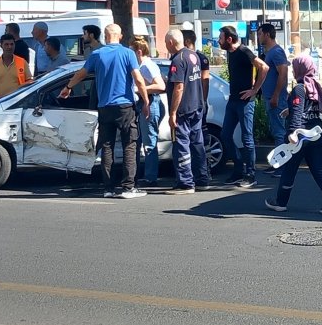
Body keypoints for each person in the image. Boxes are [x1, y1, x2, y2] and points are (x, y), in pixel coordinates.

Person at [61, 24, 150, 199]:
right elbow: (138, 79)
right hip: (125, 106)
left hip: (104, 106)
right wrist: (145, 100)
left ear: (106, 36)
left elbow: (81, 73)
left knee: (107, 147)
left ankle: (108, 188)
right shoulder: (128, 53)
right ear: (121, 35)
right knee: (129, 146)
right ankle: (128, 187)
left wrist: (68, 87)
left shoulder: (97, 54)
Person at [265, 55, 322, 214]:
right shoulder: (315, 86)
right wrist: (290, 110)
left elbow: (299, 113)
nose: (292, 69)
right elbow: (309, 109)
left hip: (300, 137)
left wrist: (292, 133)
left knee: (289, 170)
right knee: (319, 169)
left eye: (294, 66)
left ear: (300, 69)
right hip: (317, 135)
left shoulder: (299, 87)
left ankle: (280, 202)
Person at [218, 25, 268, 188]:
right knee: (225, 134)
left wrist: (255, 89)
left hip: (245, 102)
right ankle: (238, 169)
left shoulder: (244, 51)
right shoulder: (230, 52)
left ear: (229, 39)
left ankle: (250, 174)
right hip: (233, 101)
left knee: (247, 137)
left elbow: (264, 67)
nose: (219, 41)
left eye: (221, 38)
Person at [165, 29, 212, 194]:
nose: (166, 46)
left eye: (166, 42)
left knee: (181, 144)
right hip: (196, 106)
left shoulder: (178, 60)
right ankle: (202, 179)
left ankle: (185, 183)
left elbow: (179, 86)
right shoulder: (194, 56)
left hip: (184, 109)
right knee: (197, 143)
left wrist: (172, 113)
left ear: (171, 42)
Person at [132, 37, 166, 187]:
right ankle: (144, 174)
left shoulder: (146, 66)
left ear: (139, 52)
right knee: (144, 140)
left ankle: (151, 177)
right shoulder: (143, 65)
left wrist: (140, 89)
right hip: (147, 102)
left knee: (149, 142)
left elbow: (160, 85)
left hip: (150, 103)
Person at [258, 23, 290, 153]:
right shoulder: (269, 53)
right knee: (276, 130)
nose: (258, 37)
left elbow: (283, 73)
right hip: (270, 97)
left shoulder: (276, 52)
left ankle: (281, 165)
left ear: (267, 34)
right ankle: (278, 162)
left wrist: (276, 95)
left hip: (276, 99)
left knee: (279, 132)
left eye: (260, 34)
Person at [0, 34, 31, 100]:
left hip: (18, 102)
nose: (9, 47)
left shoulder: (22, 62)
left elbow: (29, 82)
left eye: (12, 44)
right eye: (6, 44)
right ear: (1, 46)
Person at [181, 29, 210, 116]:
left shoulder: (201, 58)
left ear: (187, 41)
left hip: (196, 102)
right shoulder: (180, 57)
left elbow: (205, 81)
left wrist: (203, 101)